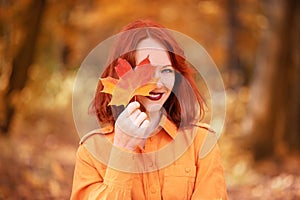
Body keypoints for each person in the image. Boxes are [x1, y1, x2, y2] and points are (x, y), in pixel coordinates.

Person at [71, 19, 228, 200]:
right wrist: (122, 149)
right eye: (146, 71)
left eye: (167, 71)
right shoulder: (92, 151)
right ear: (122, 76)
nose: (158, 83)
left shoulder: (200, 143)